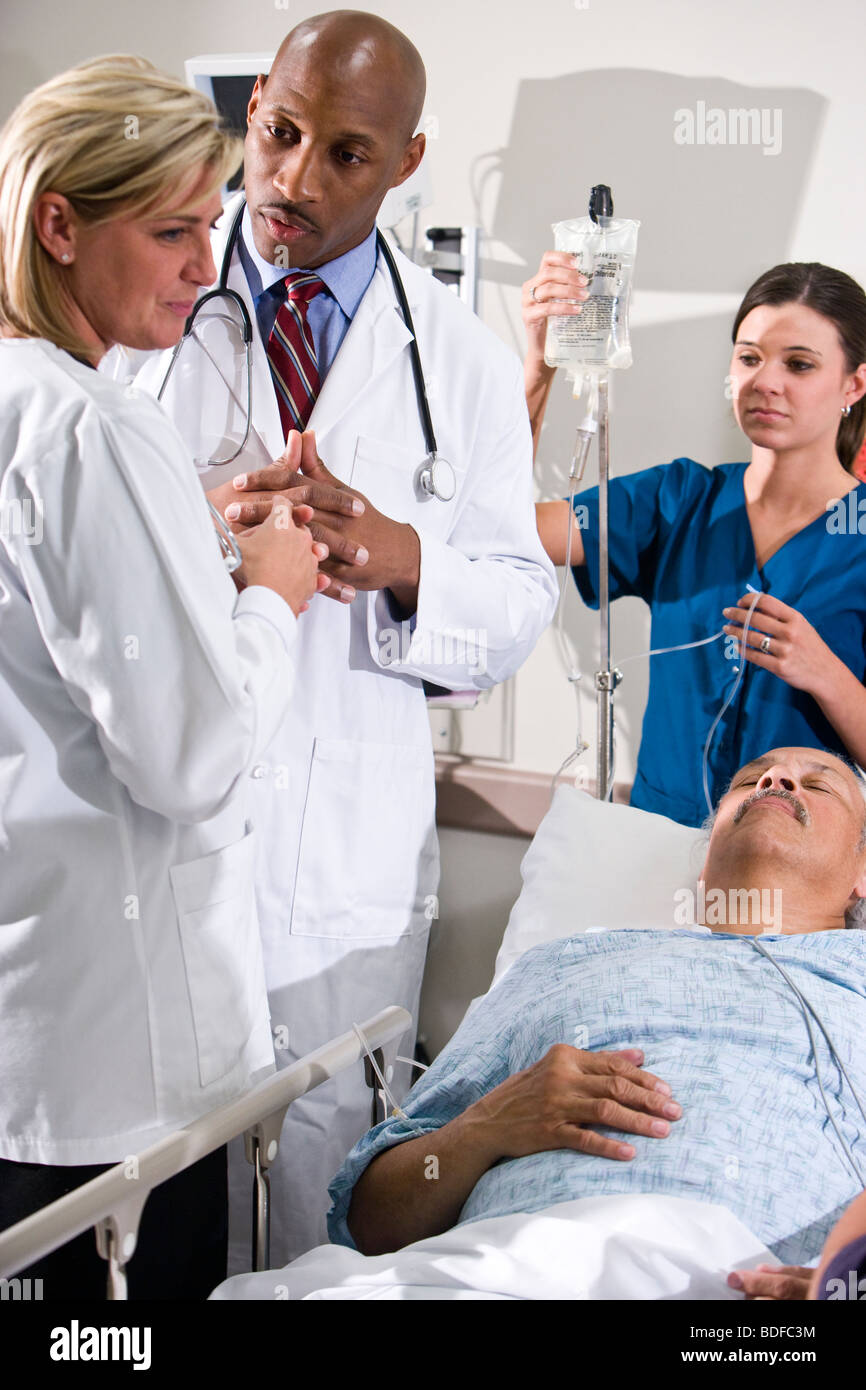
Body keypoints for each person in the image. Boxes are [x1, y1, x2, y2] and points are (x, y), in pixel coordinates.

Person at [116, 10, 557, 1264]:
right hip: (165, 847)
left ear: (406, 162)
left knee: (318, 1209)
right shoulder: (152, 311)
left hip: (343, 882)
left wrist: (405, 561)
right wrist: (205, 532)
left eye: (347, 155)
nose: (295, 181)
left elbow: (518, 604)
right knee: (143, 1225)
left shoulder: (460, 364)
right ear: (255, 104)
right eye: (281, 132)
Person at [0, 55, 329, 1299]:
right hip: (120, 1090)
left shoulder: (28, 399)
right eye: (173, 230)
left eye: (212, 224)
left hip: (35, 1043)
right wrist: (271, 590)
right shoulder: (92, 423)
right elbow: (189, 757)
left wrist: (185, 532)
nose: (207, 267)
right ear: (60, 222)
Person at [332, 747, 866, 1281]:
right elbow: (371, 1223)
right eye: (751, 779)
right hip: (500, 1269)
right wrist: (487, 1127)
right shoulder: (562, 964)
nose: (773, 779)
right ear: (704, 863)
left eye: (817, 786)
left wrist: (847, 1285)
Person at [527, 256, 866, 827]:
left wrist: (825, 674)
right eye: (750, 357)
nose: (766, 382)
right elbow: (508, 529)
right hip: (659, 852)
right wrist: (540, 366)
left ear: (853, 384)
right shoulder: (679, 500)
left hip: (800, 874)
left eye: (800, 364)